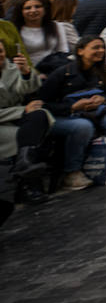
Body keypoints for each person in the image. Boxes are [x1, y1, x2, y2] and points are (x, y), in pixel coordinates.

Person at [32, 35, 106, 190]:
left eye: (102, 47)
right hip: (60, 116)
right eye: (95, 47)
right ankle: (72, 172)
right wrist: (72, 107)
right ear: (81, 51)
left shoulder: (101, 71)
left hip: (91, 112)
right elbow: (42, 103)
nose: (101, 51)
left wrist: (101, 99)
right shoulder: (63, 73)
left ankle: (101, 162)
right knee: (82, 126)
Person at [1, 45, 50, 211]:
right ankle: (28, 185)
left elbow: (30, 88)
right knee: (20, 135)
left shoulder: (11, 67)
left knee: (39, 116)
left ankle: (25, 162)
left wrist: (26, 73)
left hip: (15, 116)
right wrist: (22, 110)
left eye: (0, 51)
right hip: (4, 120)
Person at [6, 0, 75, 68]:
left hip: (52, 69)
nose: (33, 10)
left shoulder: (57, 26)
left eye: (38, 6)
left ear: (46, 9)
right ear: (21, 11)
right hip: (26, 70)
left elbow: (63, 51)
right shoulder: (14, 29)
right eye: (28, 8)